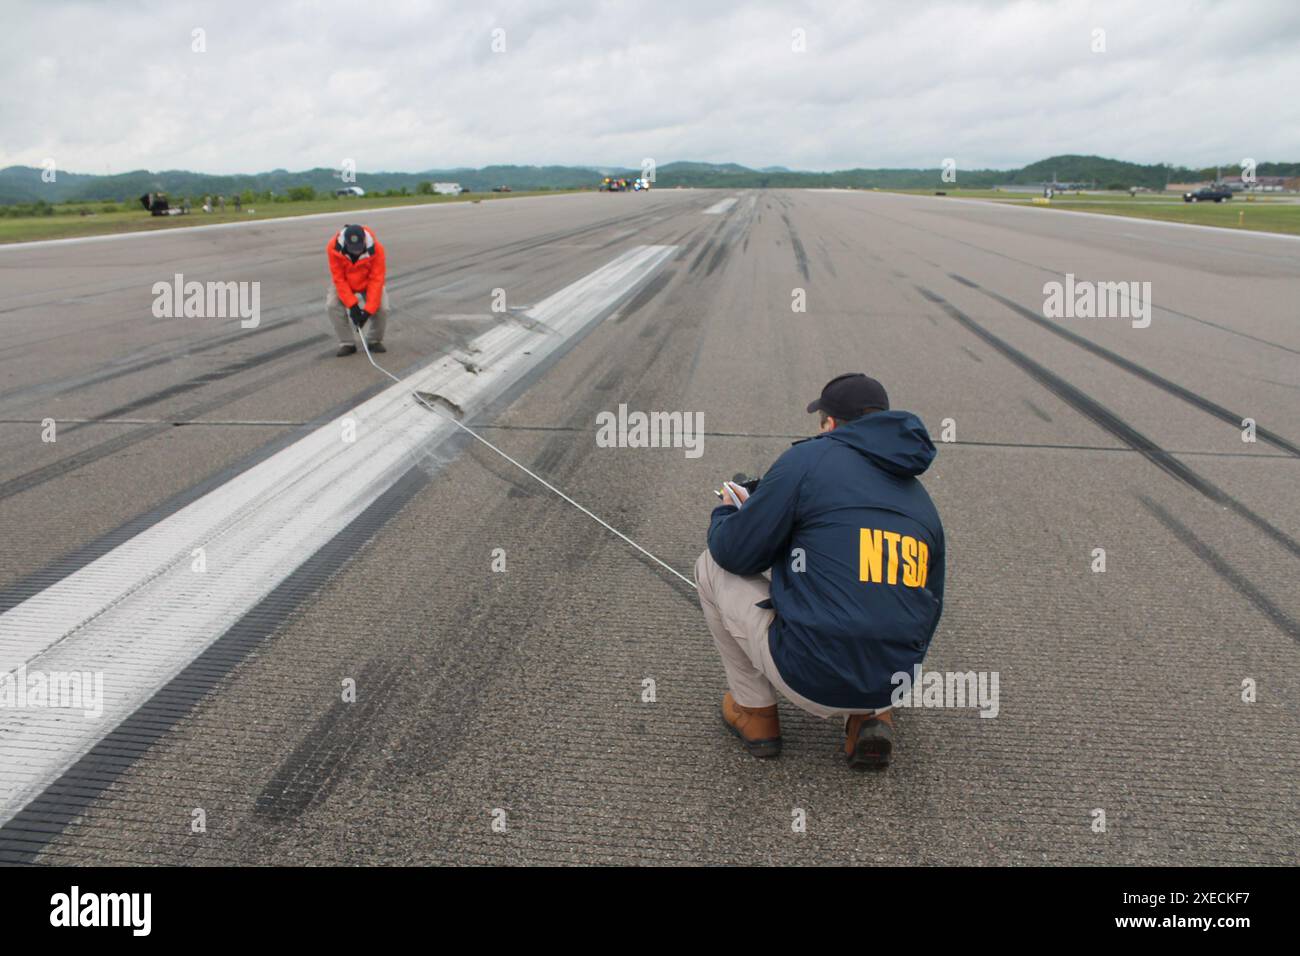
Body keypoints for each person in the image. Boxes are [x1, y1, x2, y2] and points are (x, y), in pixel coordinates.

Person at [696, 373, 945, 769]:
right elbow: (931, 604)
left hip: (810, 678)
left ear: (829, 423)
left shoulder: (808, 459)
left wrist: (727, 510)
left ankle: (755, 714)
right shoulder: (920, 499)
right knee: (867, 583)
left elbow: (736, 552)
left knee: (711, 564)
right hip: (894, 680)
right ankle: (871, 714)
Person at [326, 224, 388, 357]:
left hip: (368, 282)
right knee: (332, 305)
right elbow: (339, 279)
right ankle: (347, 343)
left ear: (365, 240)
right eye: (353, 249)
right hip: (345, 282)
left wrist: (367, 312)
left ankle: (374, 340)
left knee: (382, 308)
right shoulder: (333, 248)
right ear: (346, 243)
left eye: (359, 248)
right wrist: (353, 306)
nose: (356, 252)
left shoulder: (377, 249)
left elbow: (377, 280)